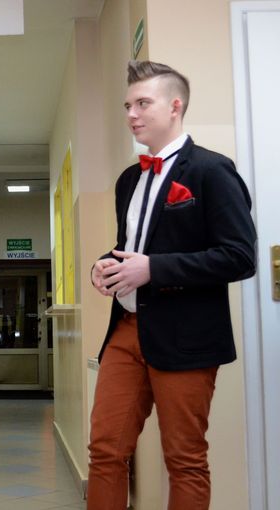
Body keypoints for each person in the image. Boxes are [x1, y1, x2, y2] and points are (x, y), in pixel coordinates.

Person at [86, 61, 256, 510]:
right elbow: (132, 247)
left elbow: (240, 257)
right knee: (105, 451)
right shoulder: (129, 180)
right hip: (125, 331)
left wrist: (154, 270)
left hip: (186, 336)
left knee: (184, 460)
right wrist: (105, 265)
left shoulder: (212, 171)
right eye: (127, 105)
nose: (131, 114)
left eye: (143, 103)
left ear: (175, 106)